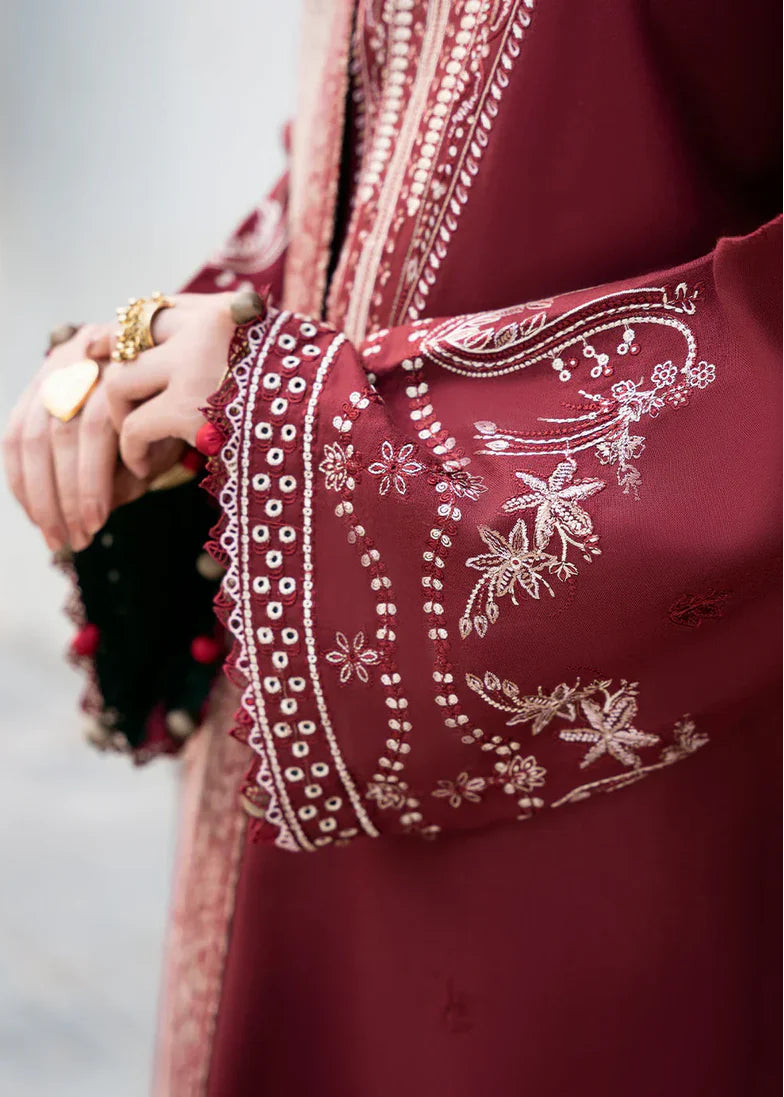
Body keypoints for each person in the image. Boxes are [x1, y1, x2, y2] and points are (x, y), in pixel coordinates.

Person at [3, 3, 782, 1095]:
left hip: (635, 803)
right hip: (308, 776)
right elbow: (384, 146)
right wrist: (181, 356)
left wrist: (319, 429)